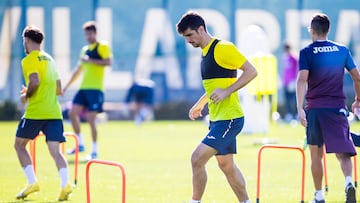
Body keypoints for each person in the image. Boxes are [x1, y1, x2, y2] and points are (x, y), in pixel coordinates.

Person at [176, 11, 257, 203]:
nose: (188, 41)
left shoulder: (223, 48)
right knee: (226, 165)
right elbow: (216, 87)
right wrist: (200, 103)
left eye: (190, 35)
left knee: (197, 159)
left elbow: (251, 71)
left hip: (229, 119)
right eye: (185, 37)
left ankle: (194, 202)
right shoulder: (206, 53)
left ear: (201, 29)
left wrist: (227, 91)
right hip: (217, 119)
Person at [296, 13, 359, 203]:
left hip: (315, 109)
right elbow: (357, 77)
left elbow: (302, 80)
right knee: (343, 151)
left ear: (312, 30)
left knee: (316, 154)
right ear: (328, 30)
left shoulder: (306, 52)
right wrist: (357, 99)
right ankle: (349, 182)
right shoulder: (342, 50)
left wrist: (299, 108)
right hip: (337, 108)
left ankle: (319, 195)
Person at [14, 25, 72, 201]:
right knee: (56, 151)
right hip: (54, 113)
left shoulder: (29, 59)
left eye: (24, 41)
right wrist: (34, 89)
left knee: (19, 145)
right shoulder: (50, 59)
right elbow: (59, 89)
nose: (24, 45)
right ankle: (66, 185)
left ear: (28, 40)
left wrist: (26, 94)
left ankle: (32, 182)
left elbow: (35, 81)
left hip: (36, 112)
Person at [63, 21, 112, 160]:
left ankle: (95, 150)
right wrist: (66, 86)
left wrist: (90, 60)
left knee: (91, 119)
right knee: (72, 113)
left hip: (96, 89)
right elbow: (78, 70)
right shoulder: (84, 50)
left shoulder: (102, 46)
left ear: (95, 33)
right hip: (83, 88)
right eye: (86, 34)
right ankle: (80, 143)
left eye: (90, 33)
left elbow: (108, 62)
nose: (88, 36)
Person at [282, 42, 298, 122]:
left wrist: (294, 81)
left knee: (294, 100)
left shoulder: (293, 58)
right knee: (287, 100)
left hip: (292, 82)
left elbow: (297, 69)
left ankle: (296, 115)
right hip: (286, 82)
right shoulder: (285, 58)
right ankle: (289, 114)